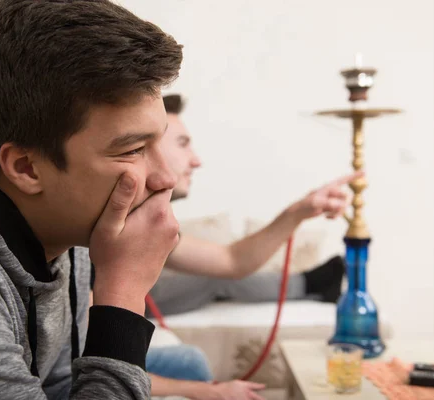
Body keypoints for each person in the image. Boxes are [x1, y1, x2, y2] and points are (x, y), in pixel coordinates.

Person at [0, 1, 183, 399]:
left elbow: (58, 385)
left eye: (158, 140)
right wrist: (122, 290)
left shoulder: (64, 221)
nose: (166, 178)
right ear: (26, 168)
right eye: (131, 150)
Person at [143, 95, 357, 399]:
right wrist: (207, 391)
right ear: (145, 148)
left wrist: (299, 211)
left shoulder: (150, 226)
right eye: (183, 143)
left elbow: (232, 261)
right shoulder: (96, 241)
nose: (197, 160)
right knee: (190, 364)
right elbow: (89, 358)